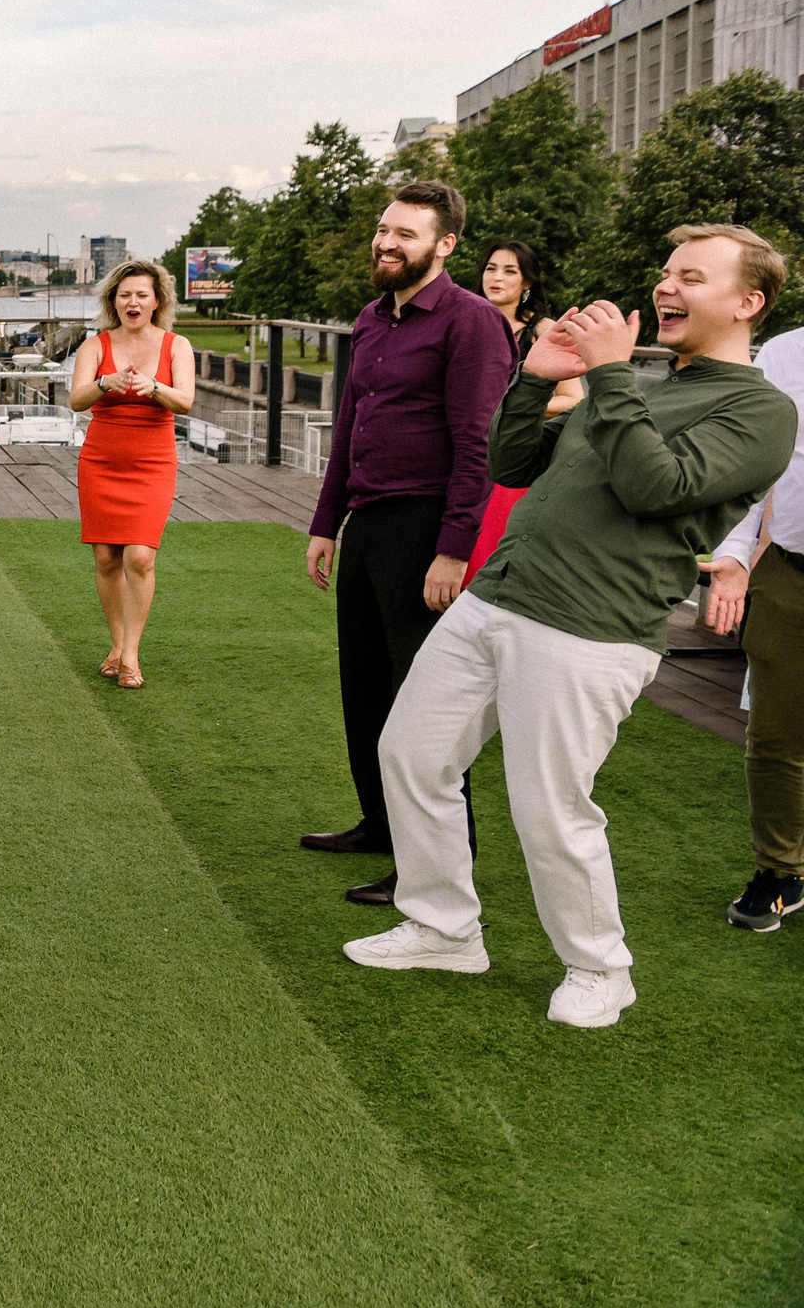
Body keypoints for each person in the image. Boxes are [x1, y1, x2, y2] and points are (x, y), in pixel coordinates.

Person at [349, 226, 796, 1028]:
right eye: (665, 272)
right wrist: (533, 378)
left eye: (690, 276)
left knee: (549, 805)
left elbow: (656, 486)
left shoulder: (760, 410)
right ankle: (444, 926)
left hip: (589, 628)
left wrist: (612, 373)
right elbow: (513, 465)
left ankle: (600, 968)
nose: (666, 286)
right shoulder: (644, 382)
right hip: (496, 597)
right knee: (409, 754)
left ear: (746, 302)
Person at [301, 181, 512, 908]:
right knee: (363, 685)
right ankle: (381, 823)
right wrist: (327, 522)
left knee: (422, 700)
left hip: (425, 528)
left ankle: (436, 861)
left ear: (445, 244)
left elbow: (477, 448)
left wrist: (453, 549)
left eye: (406, 234)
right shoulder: (370, 319)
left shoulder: (472, 322)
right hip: (367, 521)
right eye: (384, 229)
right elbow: (350, 427)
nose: (387, 243)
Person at [701, 322, 804, 931]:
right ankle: (781, 872)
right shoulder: (786, 352)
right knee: (775, 735)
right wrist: (737, 553)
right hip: (788, 570)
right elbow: (763, 466)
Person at [67, 259, 195, 689]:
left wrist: (152, 388)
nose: (133, 301)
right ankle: (117, 645)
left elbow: (186, 401)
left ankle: (132, 656)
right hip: (102, 459)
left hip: (152, 461)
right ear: (114, 302)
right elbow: (76, 400)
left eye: (142, 294)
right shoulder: (95, 346)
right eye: (125, 295)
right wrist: (107, 383)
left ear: (157, 301)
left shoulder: (177, 345)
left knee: (140, 556)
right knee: (106, 557)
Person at [462, 240, 582, 588]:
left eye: (509, 271)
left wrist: (513, 408)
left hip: (507, 463)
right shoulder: (467, 322)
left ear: (527, 282)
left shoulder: (544, 331)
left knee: (487, 560)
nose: (496, 277)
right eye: (490, 268)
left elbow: (573, 400)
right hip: (460, 453)